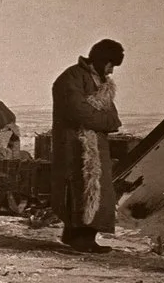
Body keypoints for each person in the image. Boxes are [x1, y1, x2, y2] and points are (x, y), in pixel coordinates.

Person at [51, 39, 125, 253]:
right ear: (101, 60)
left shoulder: (99, 81)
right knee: (80, 188)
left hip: (94, 144)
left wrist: (108, 121)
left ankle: (78, 236)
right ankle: (81, 238)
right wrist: (107, 122)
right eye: (110, 64)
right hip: (76, 144)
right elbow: (78, 111)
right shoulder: (71, 77)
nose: (111, 70)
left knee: (94, 189)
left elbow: (112, 115)